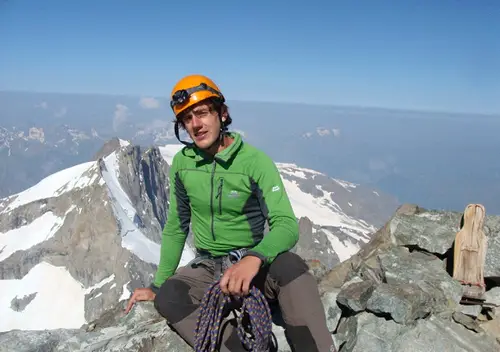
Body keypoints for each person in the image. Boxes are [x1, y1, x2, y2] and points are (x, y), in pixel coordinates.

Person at [125, 74, 336, 352]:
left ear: (222, 114)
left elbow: (286, 224)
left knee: (291, 267)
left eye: (201, 113)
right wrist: (158, 285)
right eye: (187, 119)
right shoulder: (182, 164)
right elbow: (177, 226)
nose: (195, 125)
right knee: (170, 298)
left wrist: (254, 257)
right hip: (209, 269)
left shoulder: (254, 162)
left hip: (253, 266)